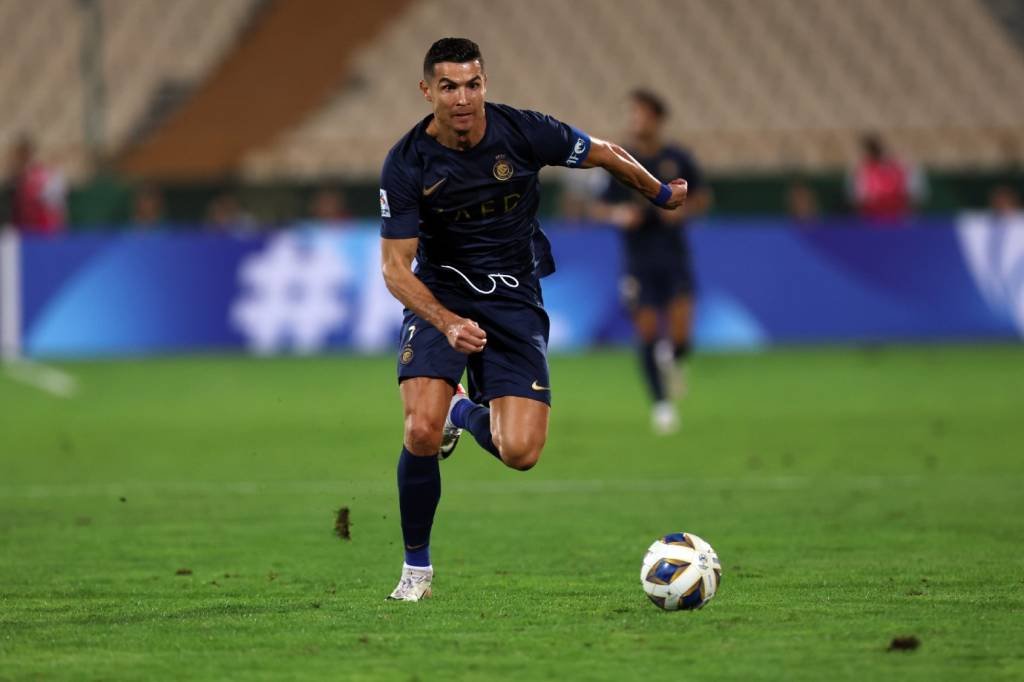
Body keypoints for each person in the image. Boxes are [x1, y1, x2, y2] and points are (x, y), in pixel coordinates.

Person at [379, 38, 687, 601]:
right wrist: (446, 322)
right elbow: (396, 270)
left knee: (520, 451)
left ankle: (461, 411)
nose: (463, 98)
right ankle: (416, 570)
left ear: (485, 84)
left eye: (473, 84)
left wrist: (660, 191)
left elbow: (604, 151)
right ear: (428, 92)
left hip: (514, 297)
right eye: (449, 86)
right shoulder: (406, 163)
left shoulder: (522, 131)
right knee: (419, 429)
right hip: (441, 294)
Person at [591, 90, 710, 435]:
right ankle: (661, 405)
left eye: (640, 114)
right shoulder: (620, 159)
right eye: (632, 114)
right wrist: (618, 214)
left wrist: (685, 211)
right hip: (638, 259)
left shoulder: (677, 158)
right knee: (645, 330)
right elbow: (598, 208)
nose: (634, 121)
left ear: (657, 118)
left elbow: (702, 196)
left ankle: (671, 357)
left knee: (681, 333)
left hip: (673, 255)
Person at [8, 136, 66, 234]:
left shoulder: (43, 175)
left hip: (44, 229)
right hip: (23, 229)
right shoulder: (16, 177)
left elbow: (55, 206)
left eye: (22, 153)